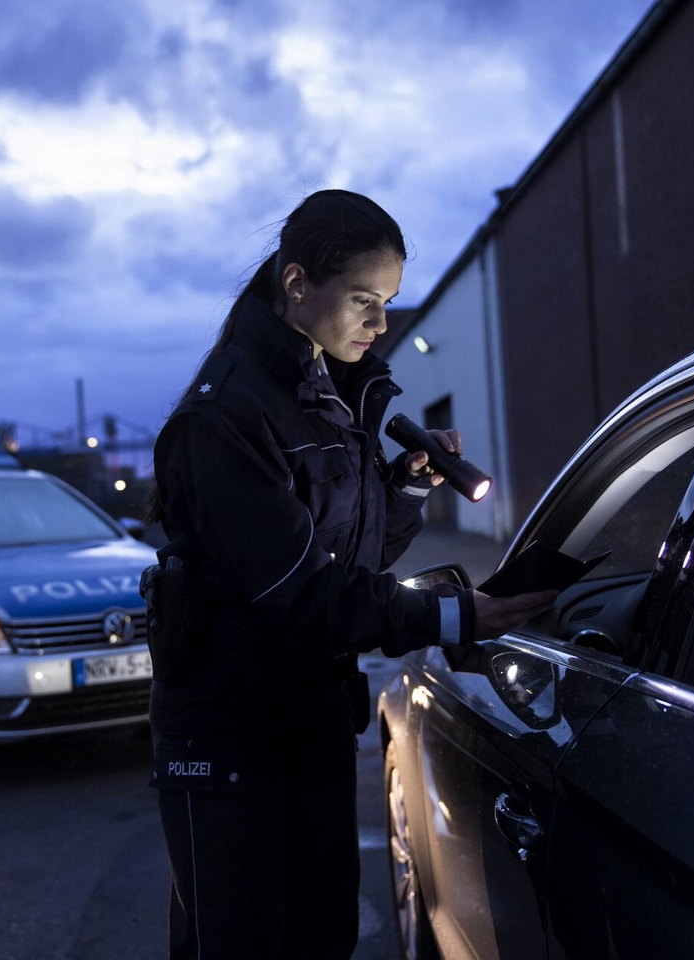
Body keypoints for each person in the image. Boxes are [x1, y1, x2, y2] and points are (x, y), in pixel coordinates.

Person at [143, 189, 555, 959]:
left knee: (321, 935)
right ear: (297, 283)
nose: (381, 323)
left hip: (312, 717)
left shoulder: (330, 396)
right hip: (229, 733)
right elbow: (299, 590)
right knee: (239, 945)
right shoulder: (225, 416)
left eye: (389, 302)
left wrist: (407, 488)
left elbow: (353, 564)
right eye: (365, 299)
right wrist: (455, 614)